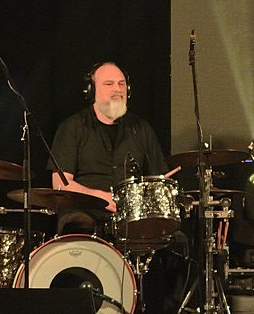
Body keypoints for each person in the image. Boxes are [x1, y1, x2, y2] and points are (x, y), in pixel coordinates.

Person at [48, 61, 168, 234]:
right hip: (84, 213)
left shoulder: (141, 129)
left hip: (130, 216)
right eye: (109, 84)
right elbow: (61, 184)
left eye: (121, 84)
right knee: (79, 224)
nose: (117, 89)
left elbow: (159, 181)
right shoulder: (72, 127)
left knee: (176, 239)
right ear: (91, 90)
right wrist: (100, 197)